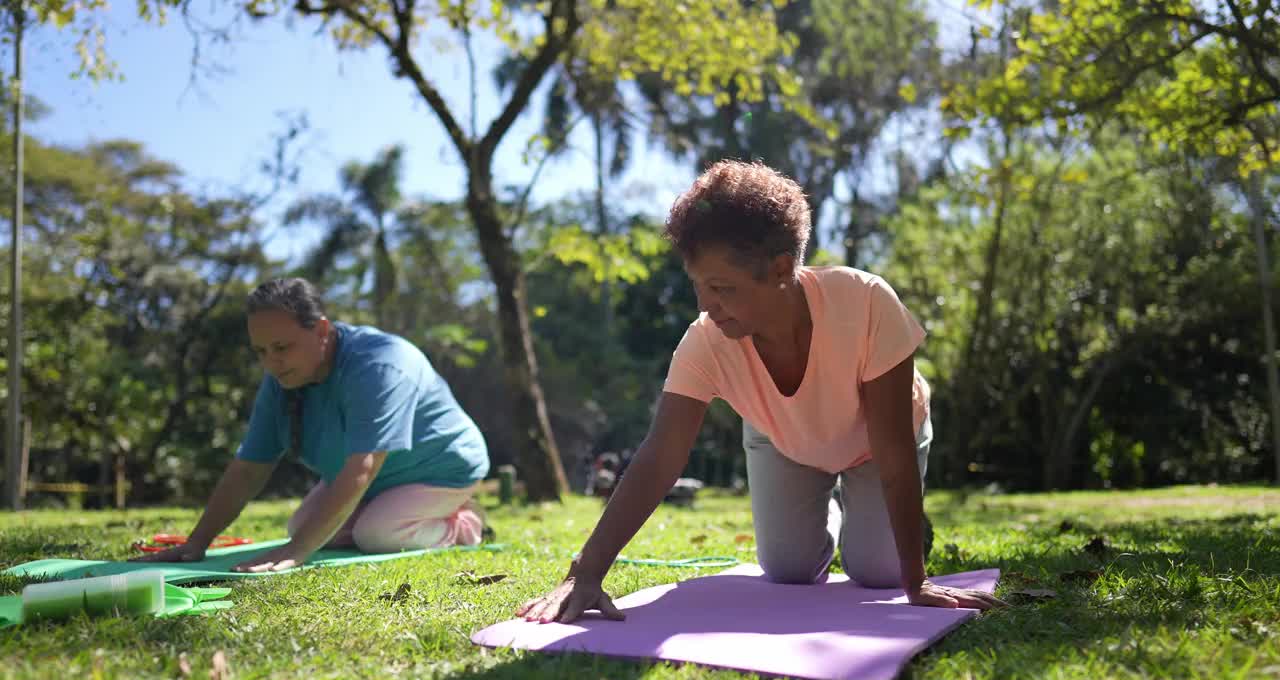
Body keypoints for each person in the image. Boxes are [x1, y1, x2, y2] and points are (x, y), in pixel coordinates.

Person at [519, 160, 1002, 622]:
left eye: (721, 287)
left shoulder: (866, 301)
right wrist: (585, 573)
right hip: (785, 439)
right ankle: (832, 510)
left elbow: (894, 451)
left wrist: (914, 582)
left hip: (877, 444)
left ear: (779, 270)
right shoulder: (705, 341)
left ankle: (899, 529)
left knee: (879, 573)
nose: (707, 305)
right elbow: (661, 455)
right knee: (789, 570)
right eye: (698, 286)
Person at [133, 278, 490, 573]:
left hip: (443, 469)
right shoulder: (281, 380)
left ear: (321, 330)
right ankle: (388, 517)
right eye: (261, 352)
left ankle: (466, 523)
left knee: (377, 534)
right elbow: (248, 469)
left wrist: (298, 551)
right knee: (301, 527)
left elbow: (363, 467)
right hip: (381, 478)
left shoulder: (380, 364)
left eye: (282, 347)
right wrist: (196, 544)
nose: (271, 363)